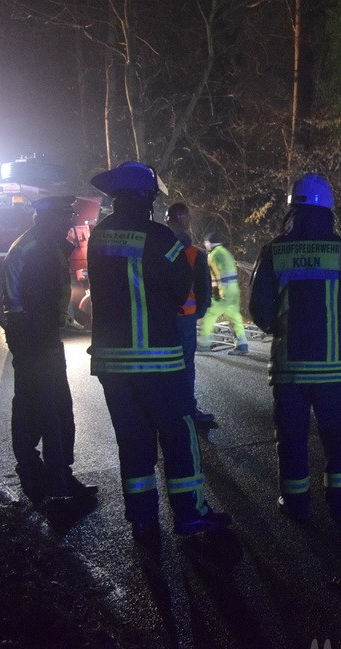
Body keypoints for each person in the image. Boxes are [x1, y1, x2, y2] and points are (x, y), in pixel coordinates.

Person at [86, 161, 231, 545]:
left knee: (132, 441)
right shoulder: (161, 238)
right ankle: (190, 514)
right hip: (158, 360)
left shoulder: (98, 236)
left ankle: (143, 520)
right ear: (145, 197)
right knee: (178, 434)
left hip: (111, 363)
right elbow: (180, 287)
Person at [248, 173, 341, 522]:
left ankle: (296, 502)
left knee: (290, 437)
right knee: (337, 437)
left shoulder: (274, 250)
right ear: (328, 210)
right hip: (332, 366)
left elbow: (259, 308)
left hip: (289, 367)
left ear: (292, 209)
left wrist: (278, 328)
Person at [3, 195, 98, 520]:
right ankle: (53, 486)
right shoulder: (37, 249)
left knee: (54, 409)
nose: (69, 223)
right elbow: (32, 304)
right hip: (34, 342)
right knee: (47, 412)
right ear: (50, 218)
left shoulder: (44, 245)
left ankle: (55, 477)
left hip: (41, 341)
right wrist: (45, 337)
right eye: (65, 216)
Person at [165, 202, 217, 430]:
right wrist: (201, 310)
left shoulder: (158, 248)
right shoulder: (194, 253)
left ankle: (168, 411)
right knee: (186, 364)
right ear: (183, 218)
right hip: (185, 317)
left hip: (163, 318)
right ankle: (187, 411)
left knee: (166, 364)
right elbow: (203, 286)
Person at [200, 232, 249, 355]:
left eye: (206, 242)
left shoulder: (213, 255)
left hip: (223, 293)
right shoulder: (226, 253)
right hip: (233, 291)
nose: (205, 245)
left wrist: (217, 292)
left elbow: (218, 274)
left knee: (210, 314)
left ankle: (205, 343)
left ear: (210, 243)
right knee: (235, 318)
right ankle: (242, 344)